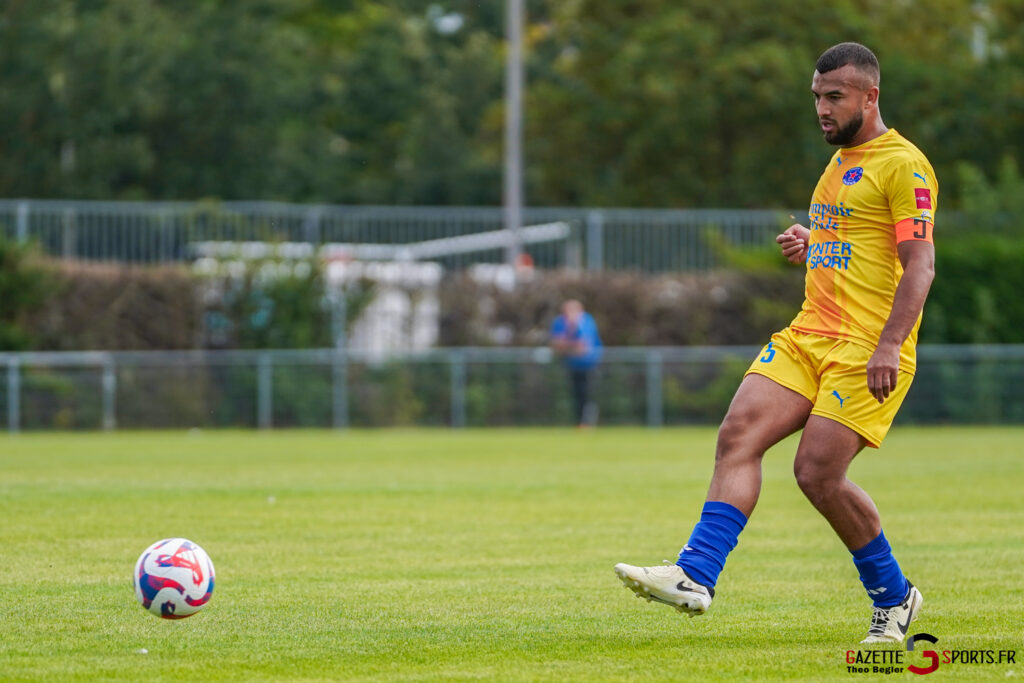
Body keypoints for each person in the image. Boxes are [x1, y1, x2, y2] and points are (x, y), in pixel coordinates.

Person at [614, 42, 937, 644]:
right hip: (808, 334)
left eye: (834, 96)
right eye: (817, 96)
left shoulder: (905, 165)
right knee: (737, 437)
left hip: (865, 347)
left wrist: (891, 345)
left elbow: (918, 266)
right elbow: (860, 246)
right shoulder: (840, 161)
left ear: (871, 96)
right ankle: (695, 574)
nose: (822, 108)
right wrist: (814, 243)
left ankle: (895, 599)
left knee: (816, 474)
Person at [550, 299, 603, 427]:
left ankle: (586, 422)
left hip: (588, 364)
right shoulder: (560, 322)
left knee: (586, 394)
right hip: (570, 364)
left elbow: (583, 347)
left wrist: (568, 345)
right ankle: (579, 422)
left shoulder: (586, 321)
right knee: (574, 394)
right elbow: (556, 345)